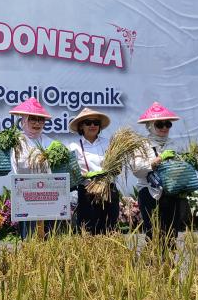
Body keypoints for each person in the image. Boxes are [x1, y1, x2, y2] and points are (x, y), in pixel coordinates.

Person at [132, 102, 186, 247]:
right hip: (150, 193)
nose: (164, 128)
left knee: (171, 234)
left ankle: (169, 267)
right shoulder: (141, 144)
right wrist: (156, 161)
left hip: (171, 193)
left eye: (167, 124)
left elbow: (183, 168)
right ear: (150, 125)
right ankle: (154, 267)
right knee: (153, 233)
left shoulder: (175, 145)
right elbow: (137, 170)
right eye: (159, 125)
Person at [10, 97, 63, 238]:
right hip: (26, 194)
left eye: (41, 119)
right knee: (28, 236)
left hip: (48, 195)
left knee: (50, 236)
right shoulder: (16, 142)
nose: (37, 123)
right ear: (24, 120)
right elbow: (18, 168)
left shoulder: (50, 142)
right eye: (33, 119)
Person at [68, 107, 119, 234]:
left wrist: (111, 171)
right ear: (81, 127)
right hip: (87, 192)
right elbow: (72, 173)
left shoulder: (109, 144)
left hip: (108, 190)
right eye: (88, 123)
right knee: (88, 230)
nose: (92, 125)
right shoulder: (73, 146)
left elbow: (118, 168)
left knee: (110, 228)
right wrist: (85, 175)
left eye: (96, 123)